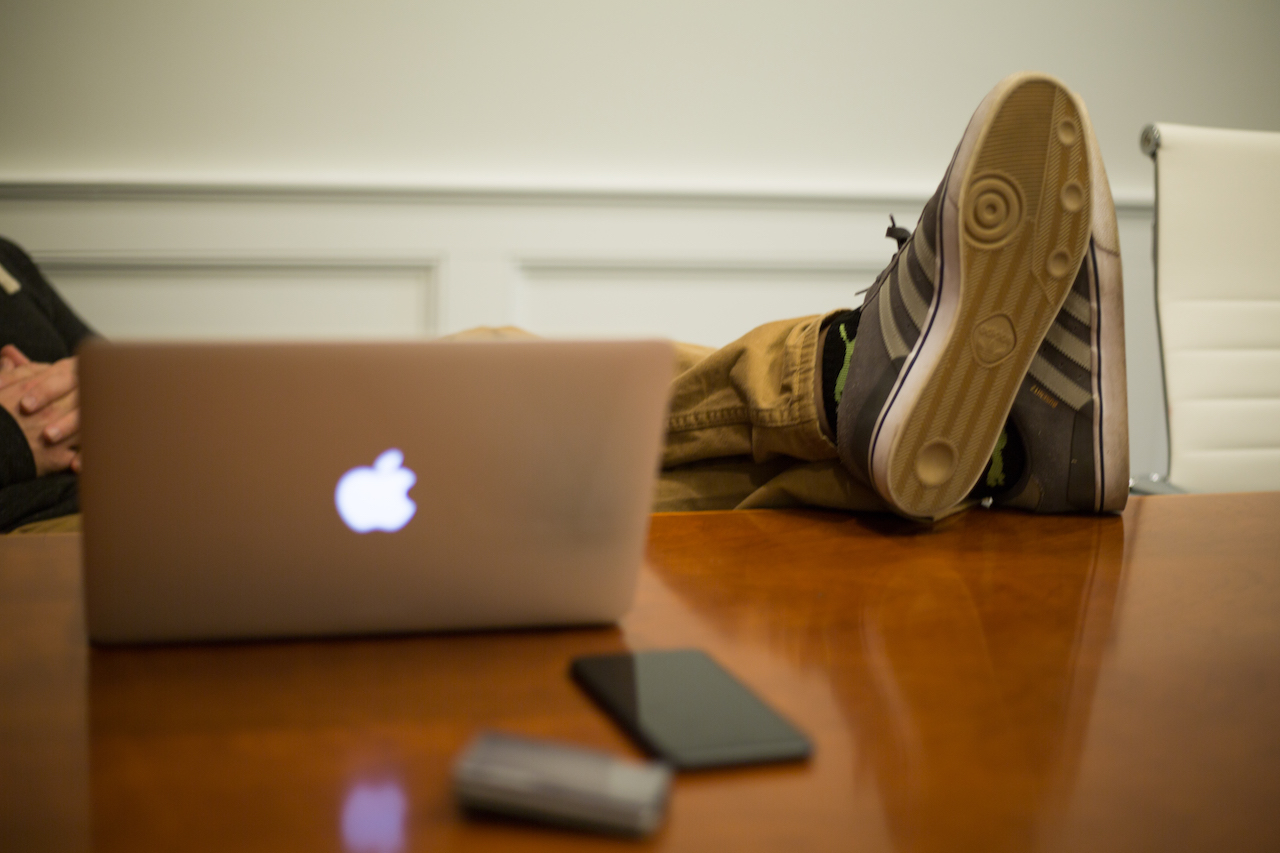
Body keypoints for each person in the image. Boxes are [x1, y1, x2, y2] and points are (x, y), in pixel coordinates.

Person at [0, 71, 1127, 532]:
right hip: (77, 554)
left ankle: (983, 449)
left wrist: (116, 393)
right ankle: (891, 399)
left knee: (543, 426)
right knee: (495, 399)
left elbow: (110, 375)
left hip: (166, 483)